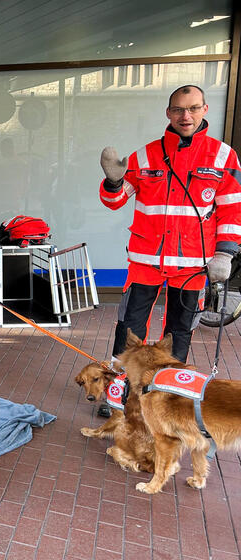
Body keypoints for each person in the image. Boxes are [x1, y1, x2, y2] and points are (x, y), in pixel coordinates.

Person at [98, 84, 241, 415]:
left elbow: (232, 210)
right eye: (178, 109)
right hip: (145, 262)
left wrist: (224, 254)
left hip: (192, 267)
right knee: (129, 330)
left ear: (205, 110)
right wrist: (113, 181)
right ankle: (119, 393)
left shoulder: (223, 156)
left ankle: (163, 392)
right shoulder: (145, 155)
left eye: (192, 108)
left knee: (178, 333)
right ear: (168, 113)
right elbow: (114, 201)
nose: (185, 115)